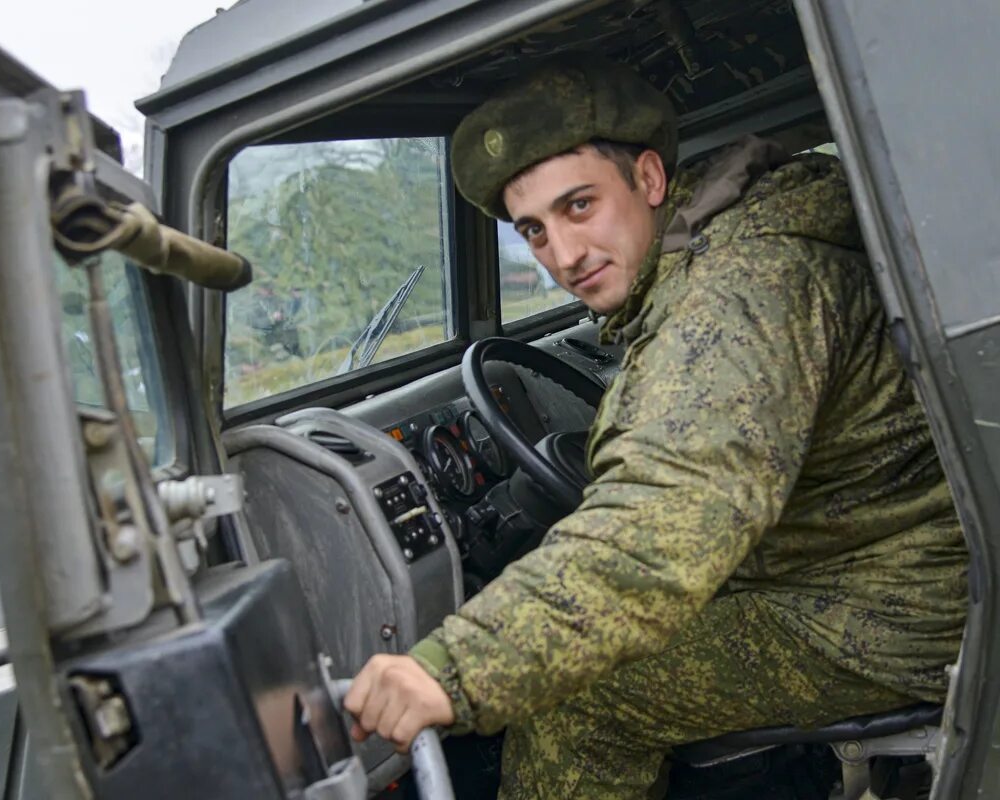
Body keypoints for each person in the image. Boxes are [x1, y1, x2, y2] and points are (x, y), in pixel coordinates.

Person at [344, 59, 968, 799]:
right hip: (878, 551)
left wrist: (448, 667)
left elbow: (658, 526)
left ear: (648, 179)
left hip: (893, 607)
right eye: (535, 231)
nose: (564, 257)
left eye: (580, 207)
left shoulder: (733, 296)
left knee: (575, 702)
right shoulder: (726, 250)